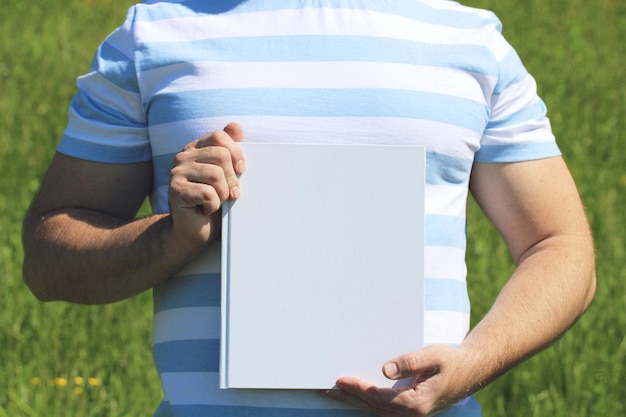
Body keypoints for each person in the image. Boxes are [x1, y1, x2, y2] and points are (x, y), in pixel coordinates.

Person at [22, 1, 596, 416]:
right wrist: (171, 235)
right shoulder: (152, 36)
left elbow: (559, 246)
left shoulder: (472, 42)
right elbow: (47, 259)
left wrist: (470, 367)